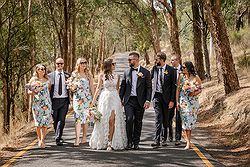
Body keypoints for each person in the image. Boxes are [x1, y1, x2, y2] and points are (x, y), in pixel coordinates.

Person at [90, 58, 127, 150]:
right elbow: (98, 88)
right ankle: (103, 141)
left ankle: (110, 143)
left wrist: (120, 101)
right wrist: (93, 102)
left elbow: (117, 89)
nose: (115, 65)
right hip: (104, 99)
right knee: (103, 120)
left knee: (112, 120)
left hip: (114, 99)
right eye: (113, 64)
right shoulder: (102, 75)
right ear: (109, 65)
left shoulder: (117, 75)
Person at [119, 52, 152, 150]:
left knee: (138, 121)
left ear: (137, 60)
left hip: (140, 101)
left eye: (130, 60)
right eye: (128, 60)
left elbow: (149, 87)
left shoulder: (145, 72)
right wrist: (120, 99)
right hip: (129, 100)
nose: (129, 61)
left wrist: (147, 100)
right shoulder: (126, 72)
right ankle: (129, 142)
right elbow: (123, 86)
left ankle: (136, 142)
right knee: (129, 119)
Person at [150, 52, 176, 148]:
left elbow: (174, 87)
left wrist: (172, 100)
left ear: (162, 60)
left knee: (166, 120)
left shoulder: (171, 70)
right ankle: (157, 140)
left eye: (157, 59)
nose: (155, 61)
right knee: (158, 118)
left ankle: (164, 139)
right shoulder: (154, 68)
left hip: (167, 98)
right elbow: (149, 80)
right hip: (156, 96)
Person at [67, 58, 94, 146]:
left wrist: (93, 100)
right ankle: (77, 138)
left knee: (85, 118)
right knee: (78, 118)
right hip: (77, 99)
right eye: (81, 63)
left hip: (87, 99)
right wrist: (74, 85)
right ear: (78, 64)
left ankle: (85, 137)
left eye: (85, 63)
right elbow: (71, 88)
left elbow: (92, 88)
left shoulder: (88, 74)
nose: (83, 64)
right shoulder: (74, 74)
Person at [176, 61, 202, 150]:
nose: (182, 69)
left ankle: (188, 141)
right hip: (183, 102)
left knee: (190, 122)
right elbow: (178, 90)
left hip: (193, 103)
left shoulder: (196, 77)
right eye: (182, 67)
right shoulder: (181, 77)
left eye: (184, 67)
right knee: (185, 122)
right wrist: (177, 102)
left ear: (189, 68)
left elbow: (200, 89)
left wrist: (193, 93)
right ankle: (188, 142)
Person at [27, 64, 52, 148]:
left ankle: (42, 140)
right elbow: (28, 92)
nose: (42, 70)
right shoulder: (33, 80)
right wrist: (35, 91)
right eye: (40, 69)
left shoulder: (48, 79)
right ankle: (39, 138)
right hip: (37, 104)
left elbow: (48, 90)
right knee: (38, 123)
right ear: (36, 70)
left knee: (45, 123)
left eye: (43, 69)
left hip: (46, 103)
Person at [48, 58, 70, 146]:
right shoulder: (50, 76)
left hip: (64, 100)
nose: (59, 65)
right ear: (55, 64)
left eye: (61, 63)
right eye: (58, 64)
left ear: (63, 64)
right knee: (55, 120)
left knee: (62, 119)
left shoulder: (68, 75)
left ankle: (58, 137)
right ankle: (58, 135)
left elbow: (71, 86)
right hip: (54, 100)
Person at [170, 55, 182, 146]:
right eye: (171, 60)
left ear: (178, 60)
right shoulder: (169, 70)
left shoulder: (184, 69)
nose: (171, 62)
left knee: (178, 118)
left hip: (181, 97)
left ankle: (178, 138)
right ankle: (169, 135)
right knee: (169, 116)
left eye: (173, 60)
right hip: (170, 97)